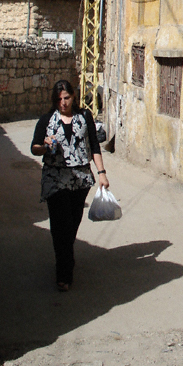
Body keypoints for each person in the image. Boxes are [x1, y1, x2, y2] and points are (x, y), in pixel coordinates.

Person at [31, 79, 109, 292]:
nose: (63, 103)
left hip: (79, 180)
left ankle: (66, 258)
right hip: (55, 180)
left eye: (66, 98)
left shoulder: (84, 117)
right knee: (59, 227)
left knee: (72, 224)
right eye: (59, 99)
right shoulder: (47, 119)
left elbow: (94, 145)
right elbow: (34, 147)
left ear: (73, 97)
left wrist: (101, 173)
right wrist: (45, 146)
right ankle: (64, 271)